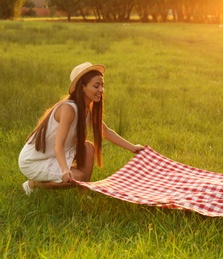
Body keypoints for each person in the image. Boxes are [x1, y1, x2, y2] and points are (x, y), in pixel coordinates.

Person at [18, 62, 145, 195]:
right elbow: (58, 145)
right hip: (34, 161)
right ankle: (32, 184)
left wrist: (133, 148)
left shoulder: (86, 110)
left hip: (53, 156)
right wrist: (64, 170)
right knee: (77, 178)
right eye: (96, 86)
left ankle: (83, 195)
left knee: (88, 148)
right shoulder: (68, 109)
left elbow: (105, 131)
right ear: (83, 87)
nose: (101, 90)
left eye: (102, 86)